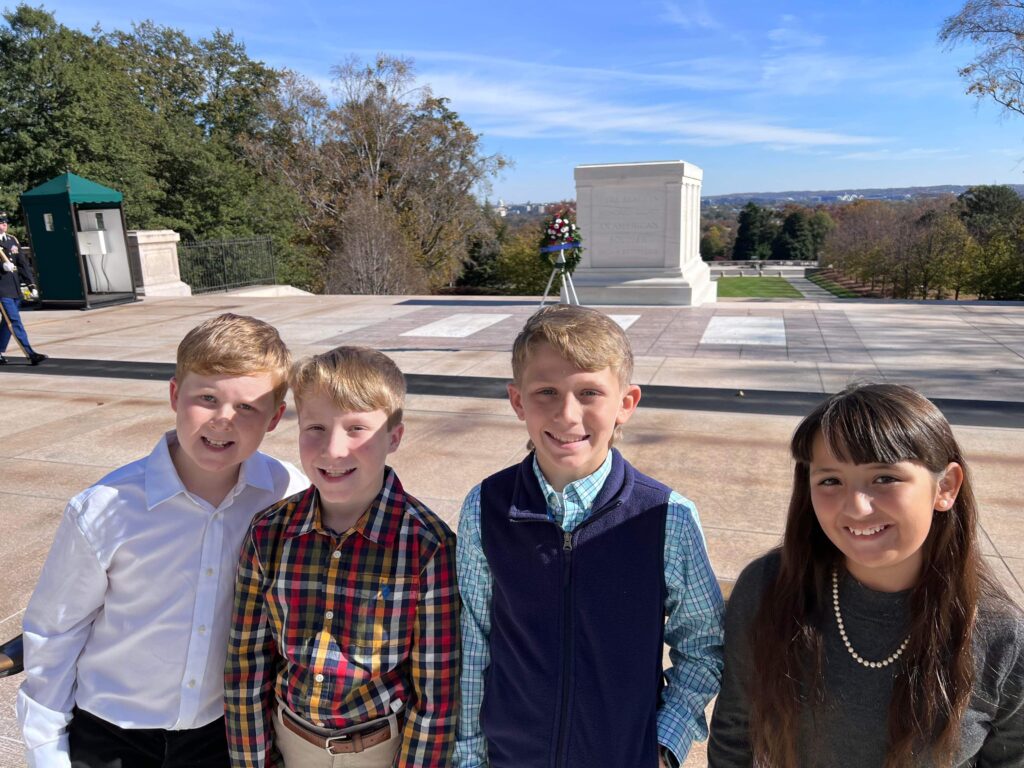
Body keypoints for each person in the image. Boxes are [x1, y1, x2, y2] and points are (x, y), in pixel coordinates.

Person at [17, 313, 307, 768]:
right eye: (207, 398)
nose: (223, 420)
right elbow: (56, 631)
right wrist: (46, 749)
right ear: (175, 395)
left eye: (247, 407)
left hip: (222, 733)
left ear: (274, 418)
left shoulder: (286, 494)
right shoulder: (106, 507)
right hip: (111, 733)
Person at [455, 305, 724, 768]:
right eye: (546, 392)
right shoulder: (486, 507)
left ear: (626, 404)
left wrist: (663, 745)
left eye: (589, 392)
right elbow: (475, 639)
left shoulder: (666, 517)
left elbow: (704, 645)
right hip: (511, 757)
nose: (567, 414)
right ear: (517, 401)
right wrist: (469, 756)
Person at [708, 383, 1024, 768]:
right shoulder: (768, 588)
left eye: (884, 478)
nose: (856, 508)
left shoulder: (1002, 636)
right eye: (830, 481)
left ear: (946, 486)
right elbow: (735, 731)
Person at [225, 346, 459, 768]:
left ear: (394, 437)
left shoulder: (428, 545)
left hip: (381, 748)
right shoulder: (268, 533)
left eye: (356, 429)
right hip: (290, 740)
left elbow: (436, 695)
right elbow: (247, 664)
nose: (333, 450)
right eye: (316, 427)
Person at [0, 212, 46, 365]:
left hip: (15, 289)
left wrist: (31, 284)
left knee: (7, 323)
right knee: (14, 321)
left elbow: (22, 265)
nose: (4, 224)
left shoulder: (12, 240)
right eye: (1, 222)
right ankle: (30, 353)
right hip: (2, 290)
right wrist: (1, 267)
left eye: (5, 221)